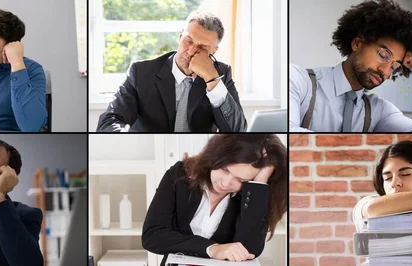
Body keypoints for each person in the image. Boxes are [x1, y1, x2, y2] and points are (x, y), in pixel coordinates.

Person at [289, 0, 412, 132]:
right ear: (357, 44)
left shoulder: (379, 110)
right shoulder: (299, 81)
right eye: (383, 55)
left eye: (394, 67)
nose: (385, 71)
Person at [142, 134, 287, 265]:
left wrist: (259, 182)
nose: (225, 183)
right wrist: (212, 249)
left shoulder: (250, 194)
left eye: (241, 179)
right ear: (216, 156)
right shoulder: (179, 175)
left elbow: (249, 250)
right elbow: (152, 236)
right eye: (225, 169)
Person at [97, 11, 247, 132]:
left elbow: (238, 131)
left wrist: (211, 79)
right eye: (188, 41)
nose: (191, 51)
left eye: (202, 48)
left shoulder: (221, 73)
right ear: (180, 36)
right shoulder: (141, 72)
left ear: (214, 51)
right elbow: (109, 121)